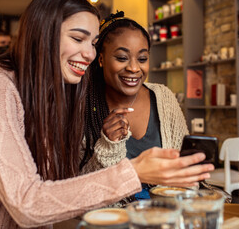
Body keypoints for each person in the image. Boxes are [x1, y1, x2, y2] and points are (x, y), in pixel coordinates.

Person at [0, 0, 214, 228]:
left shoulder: (57, 94)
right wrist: (133, 171)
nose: (89, 53)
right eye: (77, 38)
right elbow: (27, 203)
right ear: (43, 34)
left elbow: (62, 187)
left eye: (93, 43)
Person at [79, 11, 189, 205]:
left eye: (142, 58)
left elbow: (184, 168)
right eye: (122, 58)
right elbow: (78, 188)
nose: (134, 68)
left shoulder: (163, 97)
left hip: (167, 215)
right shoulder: (85, 107)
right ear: (101, 59)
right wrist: (108, 145)